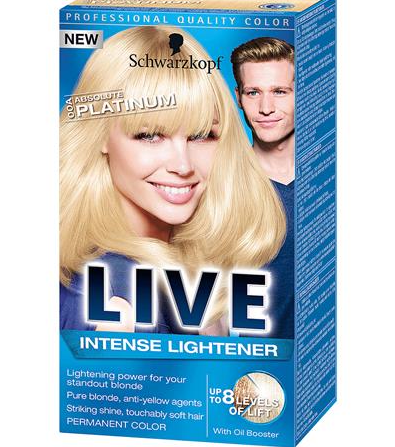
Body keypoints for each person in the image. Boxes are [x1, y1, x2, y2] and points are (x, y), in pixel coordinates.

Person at [60, 26, 287, 335]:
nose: (183, 165)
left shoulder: (192, 280)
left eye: (201, 135)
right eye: (150, 135)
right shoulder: (116, 302)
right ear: (100, 135)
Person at [231, 37, 295, 339]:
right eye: (253, 92)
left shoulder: (329, 179)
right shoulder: (222, 187)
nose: (266, 108)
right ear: (239, 97)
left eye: (279, 92)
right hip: (261, 359)